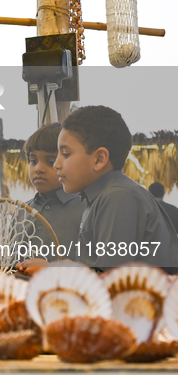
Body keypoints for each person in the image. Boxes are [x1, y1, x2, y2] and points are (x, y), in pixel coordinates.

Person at [53, 105, 178, 273]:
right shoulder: (101, 198)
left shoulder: (118, 197)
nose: (57, 164)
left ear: (99, 159)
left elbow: (110, 281)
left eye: (66, 154)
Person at [19, 123, 85, 262]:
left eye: (50, 161)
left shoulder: (87, 210)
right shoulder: (21, 212)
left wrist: (49, 270)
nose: (38, 168)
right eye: (33, 161)